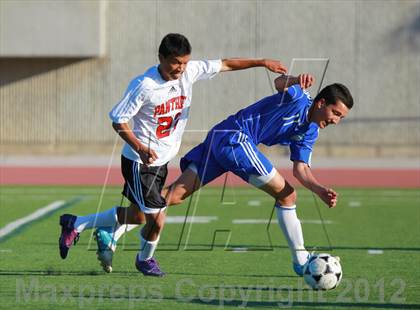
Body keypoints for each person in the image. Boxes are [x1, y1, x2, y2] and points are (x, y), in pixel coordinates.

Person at [58, 33, 288, 276]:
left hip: (160, 163)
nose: (181, 68)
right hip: (139, 163)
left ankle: (76, 223)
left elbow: (226, 63)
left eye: (185, 62)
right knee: (156, 220)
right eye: (176, 62)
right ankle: (144, 260)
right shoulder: (145, 85)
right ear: (161, 58)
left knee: (137, 216)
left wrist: (262, 62)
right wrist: (139, 146)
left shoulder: (189, 71)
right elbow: (118, 120)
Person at [161, 73, 353, 275]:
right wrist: (296, 80)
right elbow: (279, 83)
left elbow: (301, 168)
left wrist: (319, 190)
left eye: (341, 117)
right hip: (236, 138)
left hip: (222, 136)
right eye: (336, 113)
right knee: (287, 195)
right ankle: (301, 260)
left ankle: (124, 218)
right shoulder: (300, 98)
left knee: (171, 196)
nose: (336, 121)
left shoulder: (310, 132)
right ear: (322, 103)